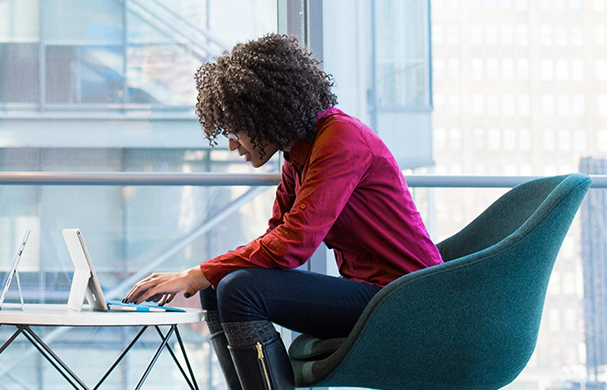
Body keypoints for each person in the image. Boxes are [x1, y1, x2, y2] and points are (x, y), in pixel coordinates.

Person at [120, 34, 443, 390]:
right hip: (374, 294)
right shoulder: (299, 155)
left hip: (407, 300)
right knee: (219, 286)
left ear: (264, 116)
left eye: (235, 131)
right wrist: (204, 275)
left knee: (238, 288)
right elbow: (275, 238)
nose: (232, 146)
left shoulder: (341, 140)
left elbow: (293, 245)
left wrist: (196, 272)